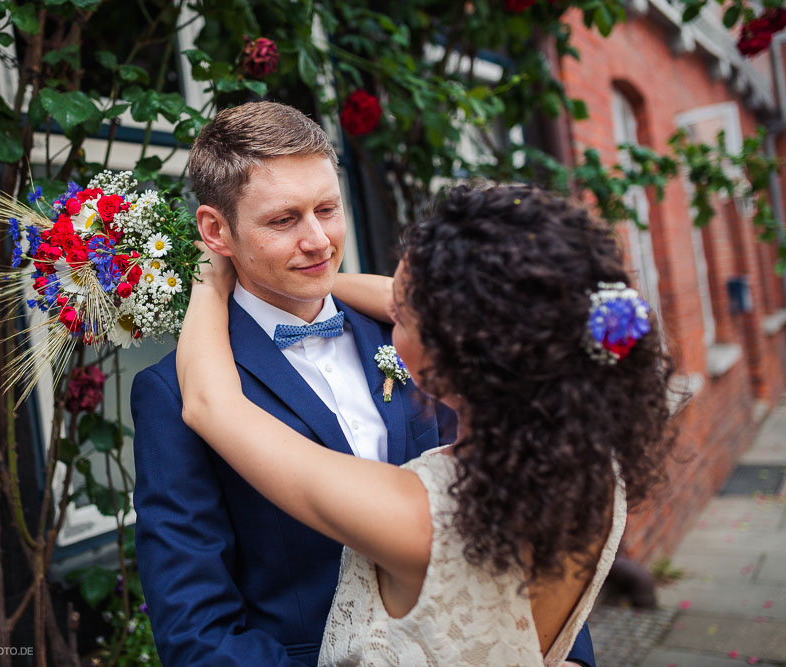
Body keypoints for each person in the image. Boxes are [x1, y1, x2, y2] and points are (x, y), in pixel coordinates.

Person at [131, 101, 596, 666]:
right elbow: (195, 629)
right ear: (215, 229)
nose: (319, 240)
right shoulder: (171, 393)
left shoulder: (423, 341)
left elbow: (532, 546)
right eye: (283, 220)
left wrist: (567, 654)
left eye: (327, 209)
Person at [176, 184, 675, 664]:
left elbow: (210, 405)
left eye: (403, 314)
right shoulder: (595, 467)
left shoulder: (420, 514)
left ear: (441, 354)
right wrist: (300, 280)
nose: (390, 310)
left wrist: (211, 284)